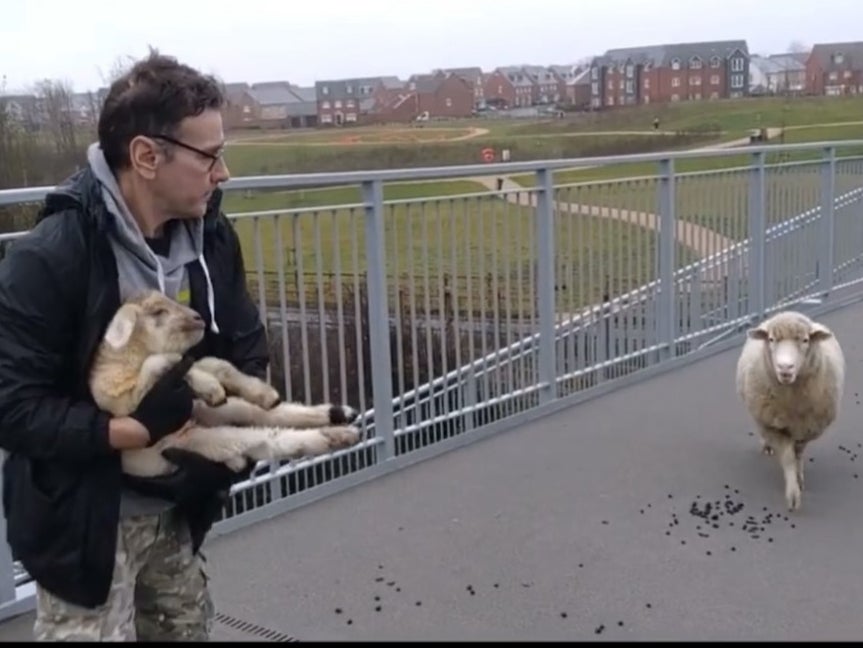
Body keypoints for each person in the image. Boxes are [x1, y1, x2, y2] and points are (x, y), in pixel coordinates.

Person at [0, 49, 270, 641]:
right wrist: (128, 429)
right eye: (211, 156)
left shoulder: (212, 240)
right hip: (85, 526)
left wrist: (220, 415)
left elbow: (248, 350)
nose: (223, 173)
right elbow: (13, 407)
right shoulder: (51, 258)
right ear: (147, 156)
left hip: (177, 507)